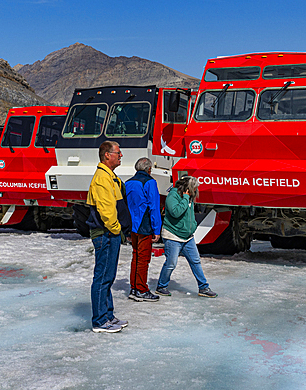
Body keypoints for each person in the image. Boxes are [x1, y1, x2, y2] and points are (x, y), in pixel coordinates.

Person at [86, 141, 132, 333]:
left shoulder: (110, 177)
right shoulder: (102, 179)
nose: (120, 156)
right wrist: (116, 230)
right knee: (103, 277)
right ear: (107, 155)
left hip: (110, 233)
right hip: (106, 233)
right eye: (118, 153)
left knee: (108, 276)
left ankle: (108, 315)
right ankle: (99, 321)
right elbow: (107, 212)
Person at [155, 175, 217, 298]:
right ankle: (161, 286)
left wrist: (193, 226)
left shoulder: (189, 198)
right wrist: (185, 198)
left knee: (196, 261)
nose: (195, 191)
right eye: (194, 188)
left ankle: (203, 287)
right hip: (173, 236)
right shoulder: (173, 195)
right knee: (171, 263)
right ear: (187, 188)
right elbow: (175, 212)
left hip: (187, 237)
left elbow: (189, 215)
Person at [125, 157, 162, 302]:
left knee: (136, 256)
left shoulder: (128, 182)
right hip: (144, 225)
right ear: (149, 169)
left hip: (132, 225)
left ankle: (134, 287)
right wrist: (156, 229)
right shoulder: (150, 182)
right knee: (144, 258)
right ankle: (141, 289)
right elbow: (154, 207)